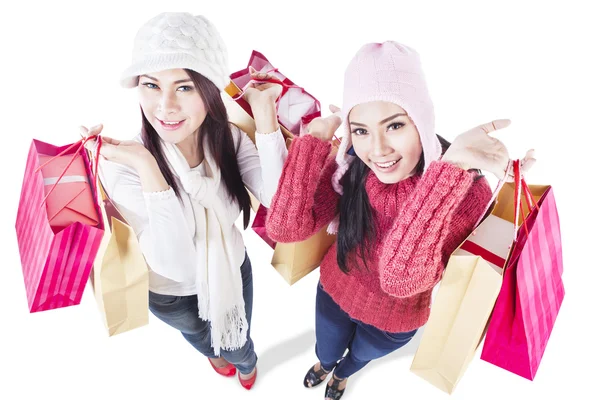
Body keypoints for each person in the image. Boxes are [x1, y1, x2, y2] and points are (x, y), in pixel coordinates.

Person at [264, 41, 535, 400]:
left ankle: (341, 377)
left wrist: (445, 175)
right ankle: (325, 365)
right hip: (335, 290)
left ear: (421, 121)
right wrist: (313, 140)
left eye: (394, 126)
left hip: (393, 324)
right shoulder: (354, 166)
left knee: (357, 358)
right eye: (360, 130)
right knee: (325, 349)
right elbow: (285, 227)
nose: (377, 149)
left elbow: (400, 278)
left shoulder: (464, 193)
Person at [81, 12, 288, 390]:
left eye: (185, 86)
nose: (165, 106)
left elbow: (278, 199)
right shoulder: (125, 166)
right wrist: (147, 165)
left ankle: (246, 363)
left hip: (232, 265)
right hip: (171, 295)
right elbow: (175, 264)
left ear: (210, 90)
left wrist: (264, 113)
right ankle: (213, 355)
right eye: (151, 85)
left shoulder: (227, 139)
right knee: (200, 339)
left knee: (239, 343)